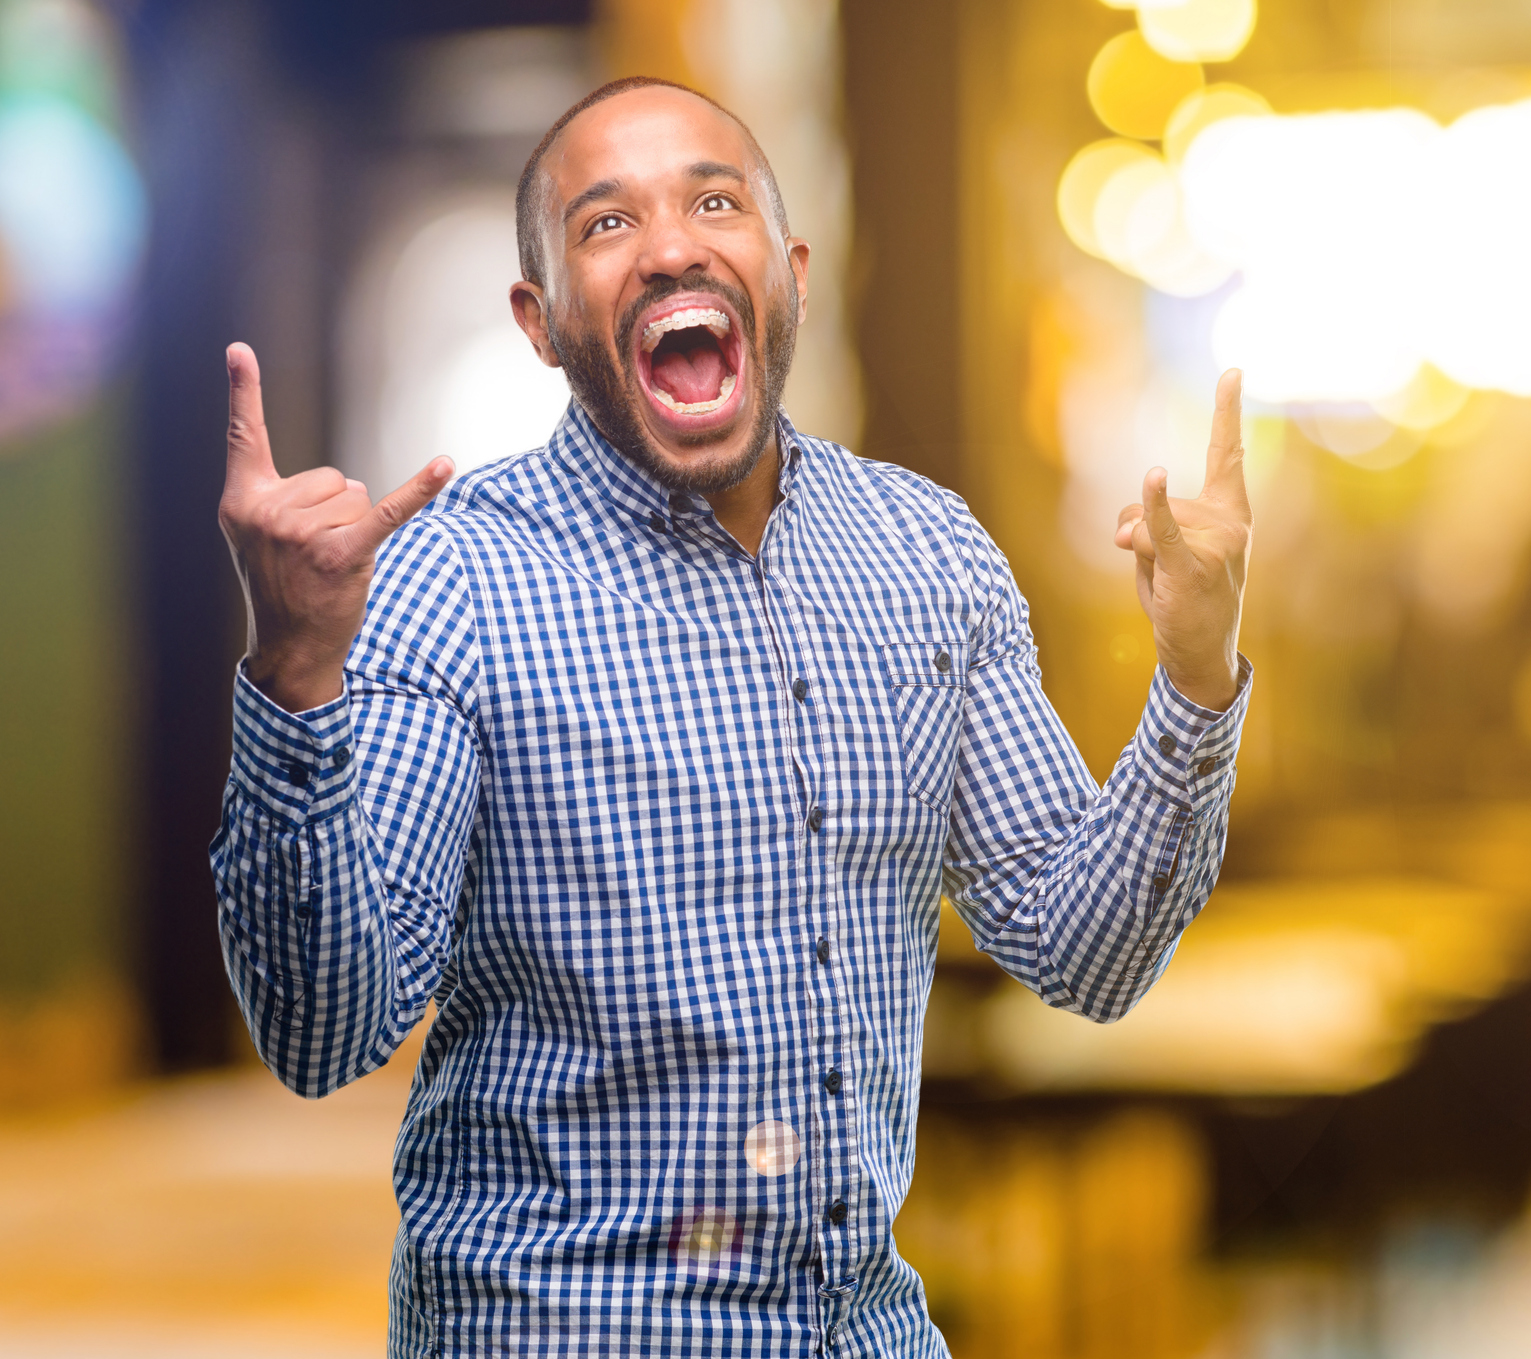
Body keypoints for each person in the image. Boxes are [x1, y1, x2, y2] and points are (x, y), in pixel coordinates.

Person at [209, 75, 1252, 1356]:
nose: (670, 245)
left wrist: (1195, 675)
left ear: (790, 270)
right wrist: (299, 672)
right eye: (605, 224)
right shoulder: (457, 578)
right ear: (540, 323)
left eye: (714, 200)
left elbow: (1084, 954)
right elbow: (324, 1032)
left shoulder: (927, 555)